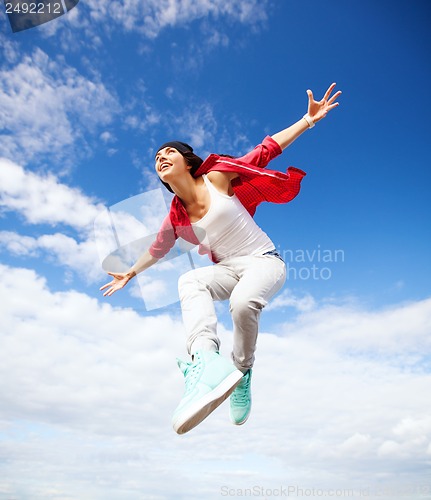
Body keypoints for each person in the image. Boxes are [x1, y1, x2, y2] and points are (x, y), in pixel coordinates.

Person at [100, 83, 341, 434]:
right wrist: (130, 273)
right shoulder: (176, 215)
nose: (161, 157)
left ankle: (241, 372)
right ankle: (206, 361)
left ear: (187, 161)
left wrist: (308, 119)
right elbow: (158, 248)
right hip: (227, 269)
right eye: (156, 157)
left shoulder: (217, 177)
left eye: (169, 152)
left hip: (264, 261)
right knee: (189, 280)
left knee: (242, 305)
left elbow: (265, 151)